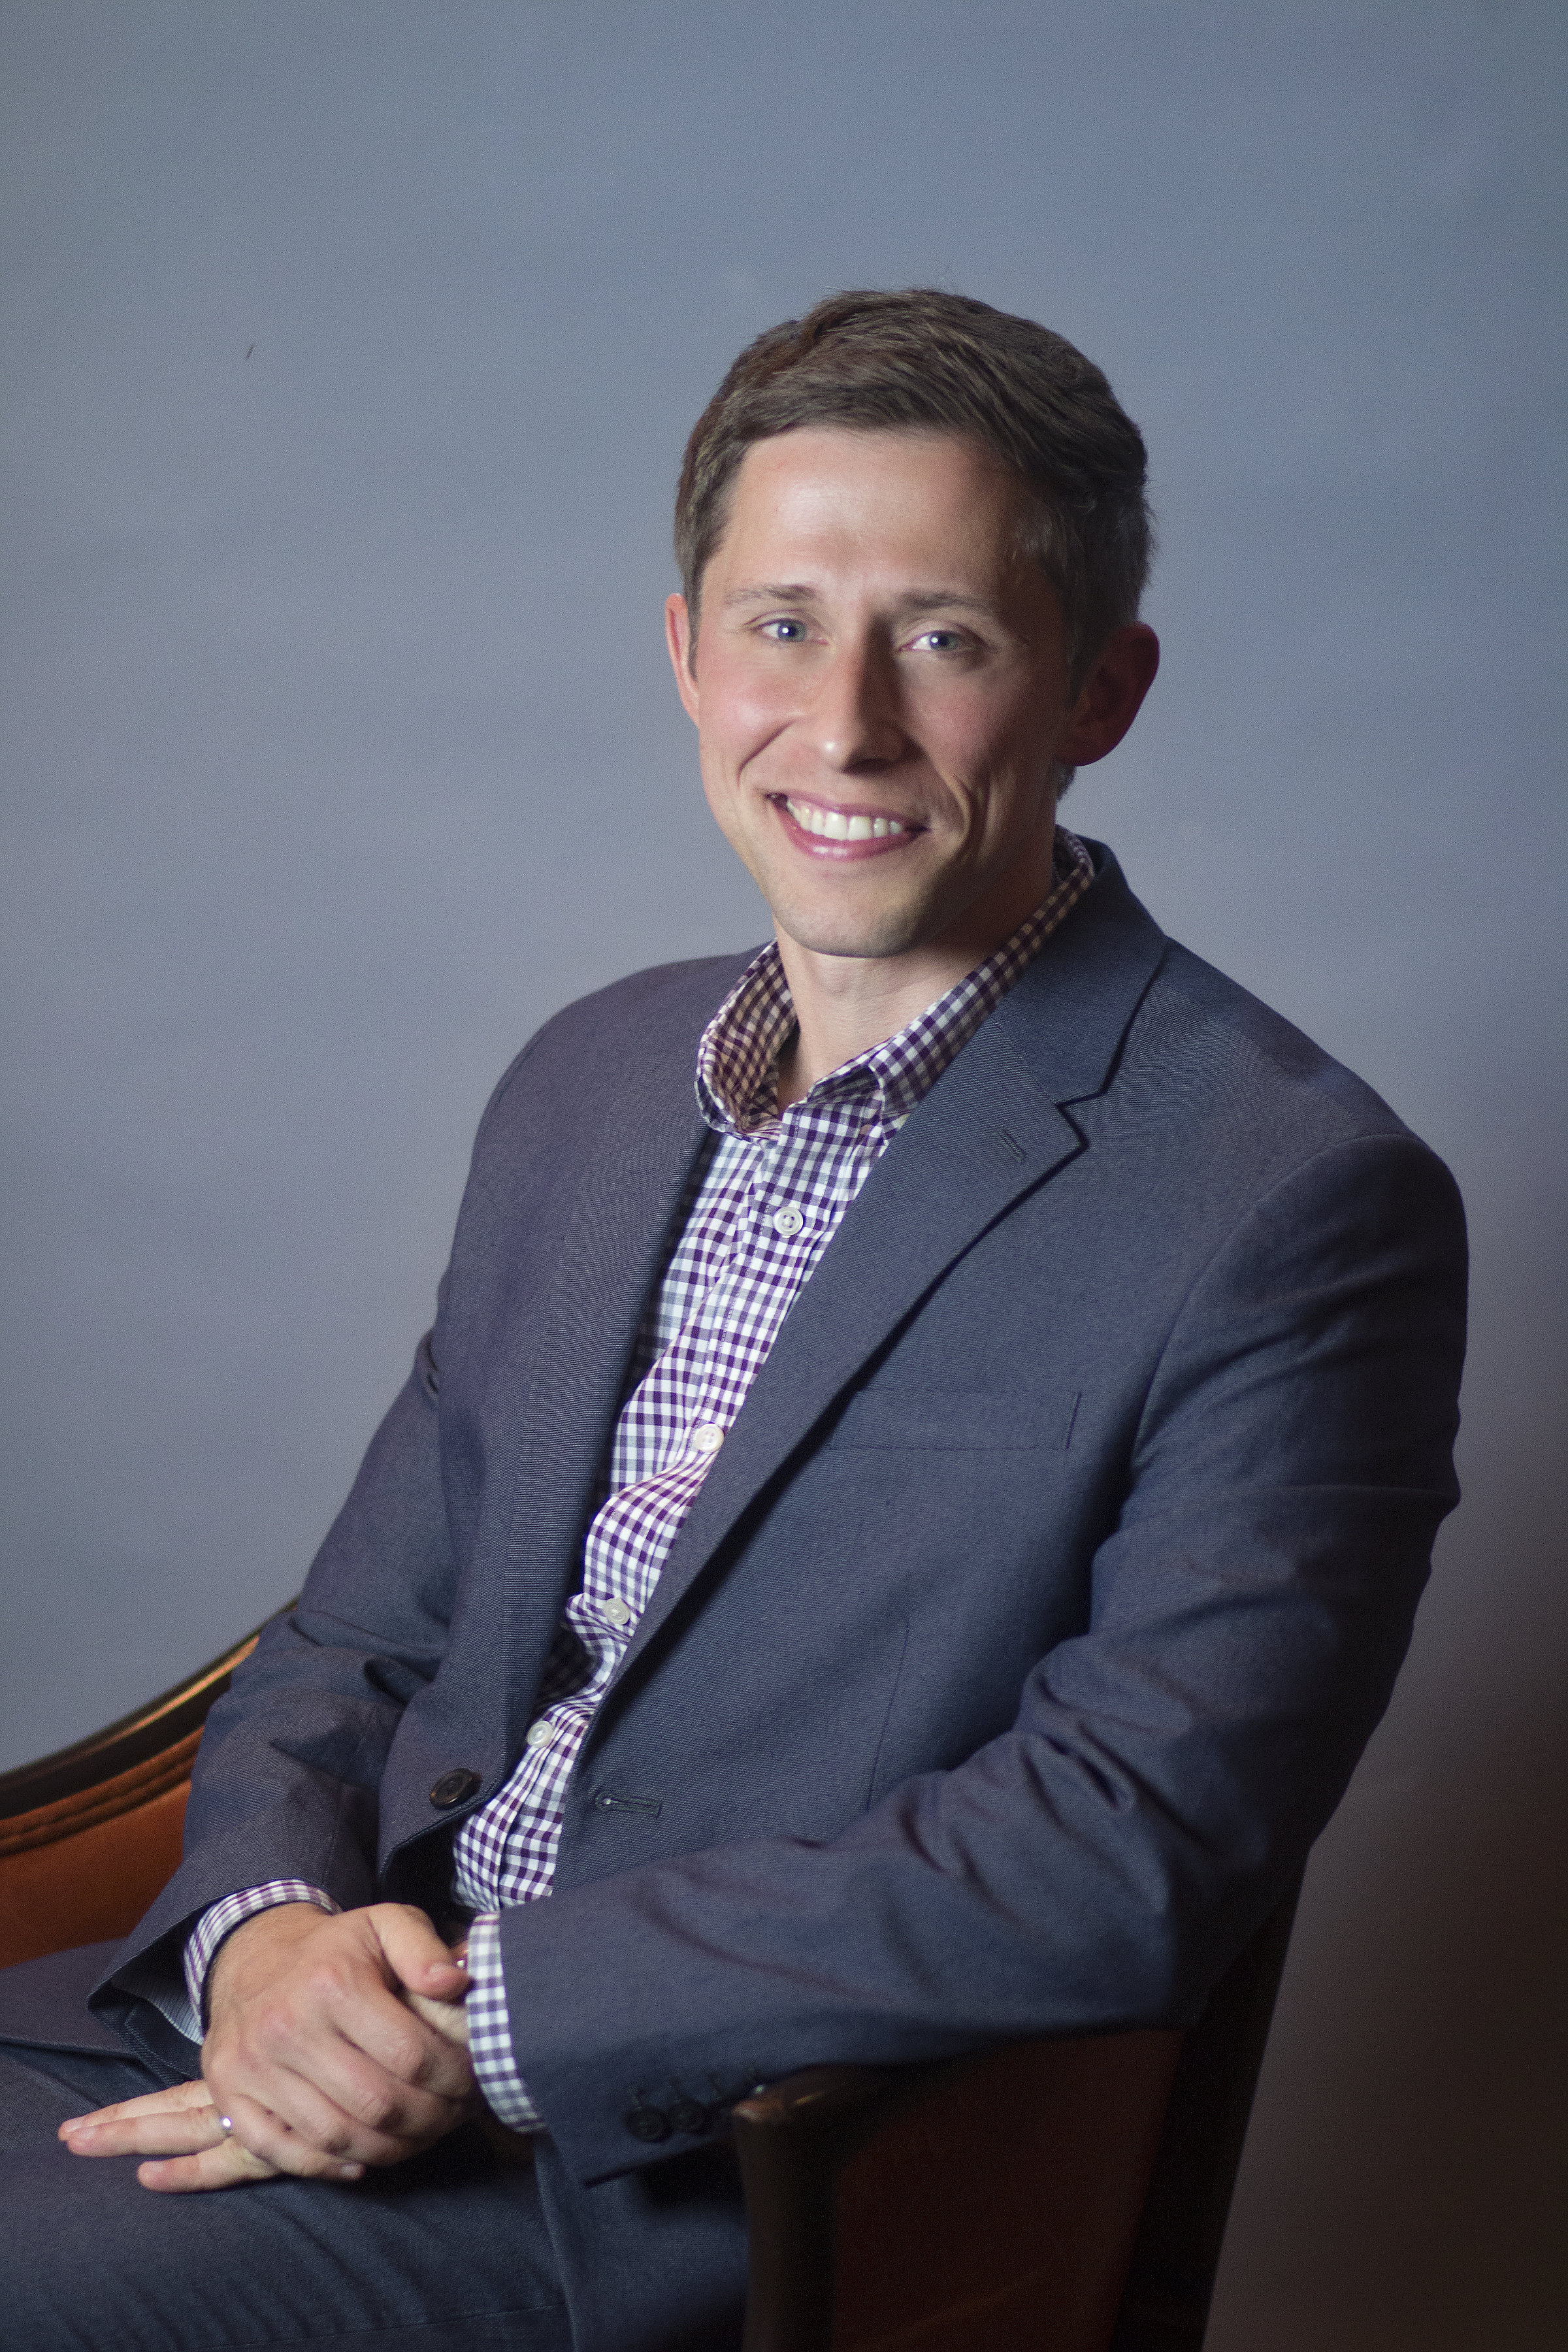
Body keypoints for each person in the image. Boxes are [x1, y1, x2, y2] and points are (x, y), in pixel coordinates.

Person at [0, 289, 1467, 2350]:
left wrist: (488, 2029)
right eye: (782, 625)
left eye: (943, 638)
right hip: (285, 2027)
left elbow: (1134, 1845)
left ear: (1102, 688)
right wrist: (264, 1943)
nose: (844, 724)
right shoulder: (588, 1082)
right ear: (688, 656)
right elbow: (359, 1638)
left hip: (680, 2180)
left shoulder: (1290, 1200)